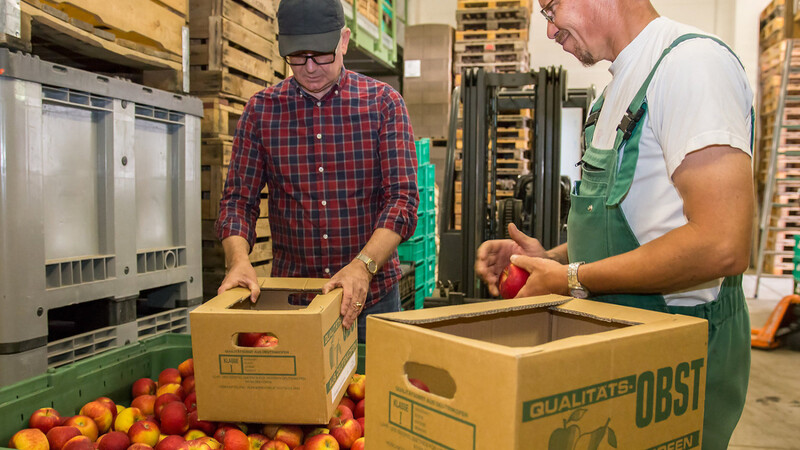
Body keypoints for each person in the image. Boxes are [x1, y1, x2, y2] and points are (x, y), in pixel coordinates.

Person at [475, 1, 753, 448]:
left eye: (550, 9)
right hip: (619, 345)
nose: (549, 32)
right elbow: (644, 225)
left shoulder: (691, 66)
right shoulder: (612, 95)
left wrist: (571, 278)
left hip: (676, 357)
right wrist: (549, 259)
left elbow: (723, 244)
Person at [215, 0, 418, 344]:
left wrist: (363, 265)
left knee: (373, 394)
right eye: (297, 56)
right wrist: (237, 260)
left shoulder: (383, 104)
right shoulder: (261, 112)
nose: (309, 68)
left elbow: (402, 200)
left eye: (321, 54)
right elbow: (237, 201)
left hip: (372, 301)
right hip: (296, 302)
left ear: (343, 40)